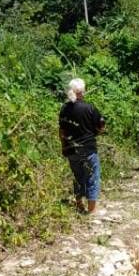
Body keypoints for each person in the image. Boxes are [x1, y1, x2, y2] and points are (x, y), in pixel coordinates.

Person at [59, 78, 105, 214]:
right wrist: (95, 132)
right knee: (92, 177)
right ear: (82, 91)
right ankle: (91, 210)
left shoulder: (64, 109)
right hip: (88, 149)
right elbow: (101, 126)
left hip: (71, 149)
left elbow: (61, 131)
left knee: (78, 177)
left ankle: (79, 206)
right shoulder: (90, 108)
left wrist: (63, 146)